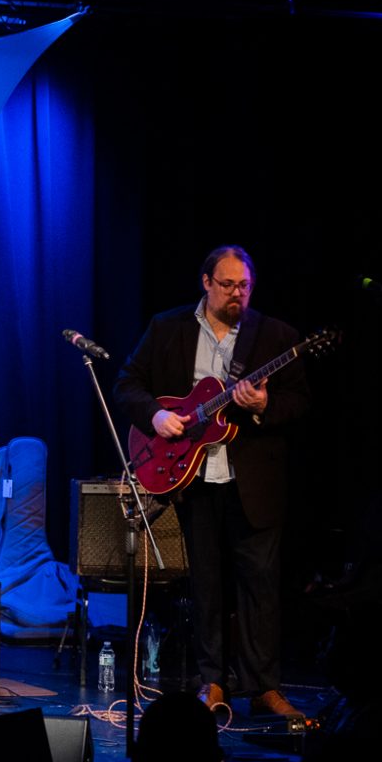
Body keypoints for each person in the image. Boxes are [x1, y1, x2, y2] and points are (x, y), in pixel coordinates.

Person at [113, 245, 310, 722]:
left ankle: (264, 688)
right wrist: (156, 415)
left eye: (244, 286)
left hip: (254, 480)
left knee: (260, 586)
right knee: (206, 585)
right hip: (194, 477)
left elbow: (300, 402)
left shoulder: (276, 336)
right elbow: (127, 383)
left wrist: (264, 405)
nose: (236, 294)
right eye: (227, 285)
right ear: (206, 283)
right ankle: (212, 681)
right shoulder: (168, 327)